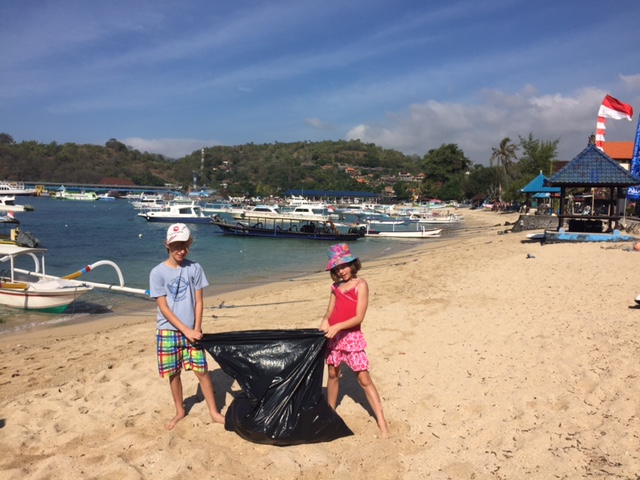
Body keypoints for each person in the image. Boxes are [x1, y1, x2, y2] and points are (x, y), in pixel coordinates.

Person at [149, 223, 225, 430]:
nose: (180, 250)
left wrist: (197, 328)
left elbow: (199, 302)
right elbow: (163, 307)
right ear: (167, 245)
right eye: (176, 246)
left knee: (202, 371)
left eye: (184, 245)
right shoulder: (157, 273)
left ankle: (214, 412)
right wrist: (186, 330)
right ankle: (180, 410)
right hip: (168, 331)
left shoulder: (195, 268)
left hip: (193, 331)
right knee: (174, 373)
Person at [319, 243, 390, 437]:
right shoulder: (335, 287)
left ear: (352, 264)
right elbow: (329, 312)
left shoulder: (360, 285)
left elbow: (359, 317)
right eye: (337, 268)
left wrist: (337, 327)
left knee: (364, 378)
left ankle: (382, 423)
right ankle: (330, 413)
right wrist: (325, 322)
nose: (341, 271)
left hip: (351, 337)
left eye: (344, 266)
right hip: (333, 337)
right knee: (333, 375)